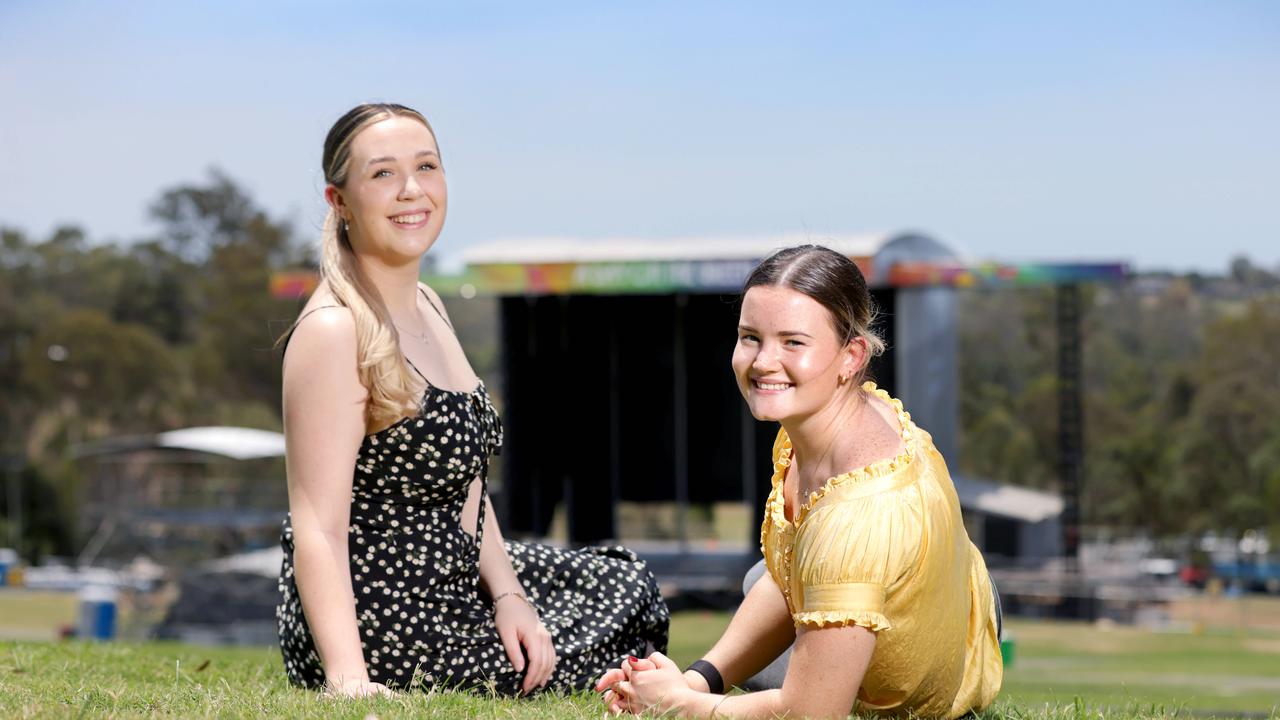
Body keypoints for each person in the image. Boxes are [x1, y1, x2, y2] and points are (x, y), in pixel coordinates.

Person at [276, 102, 669, 698]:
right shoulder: (334, 331)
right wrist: (348, 677)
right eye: (383, 174)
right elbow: (317, 526)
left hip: (454, 573)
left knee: (625, 581)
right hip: (381, 615)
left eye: (427, 167)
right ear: (340, 202)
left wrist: (509, 597)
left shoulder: (429, 303)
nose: (413, 191)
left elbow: (468, 487)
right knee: (598, 644)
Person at [596, 245, 1001, 718]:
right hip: (954, 601)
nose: (764, 361)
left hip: (939, 670)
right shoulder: (826, 420)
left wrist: (681, 705)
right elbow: (791, 568)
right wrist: (697, 678)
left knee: (805, 582)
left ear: (851, 356)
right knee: (761, 576)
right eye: (750, 337)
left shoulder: (856, 515)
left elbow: (810, 714)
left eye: (793, 342)